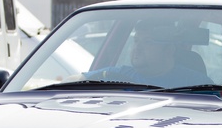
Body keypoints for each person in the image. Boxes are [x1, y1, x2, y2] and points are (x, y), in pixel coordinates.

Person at [78, 20, 212, 88]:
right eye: (136, 40)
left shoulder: (197, 85)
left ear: (169, 49)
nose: (138, 47)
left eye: (147, 42)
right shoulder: (117, 75)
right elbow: (76, 80)